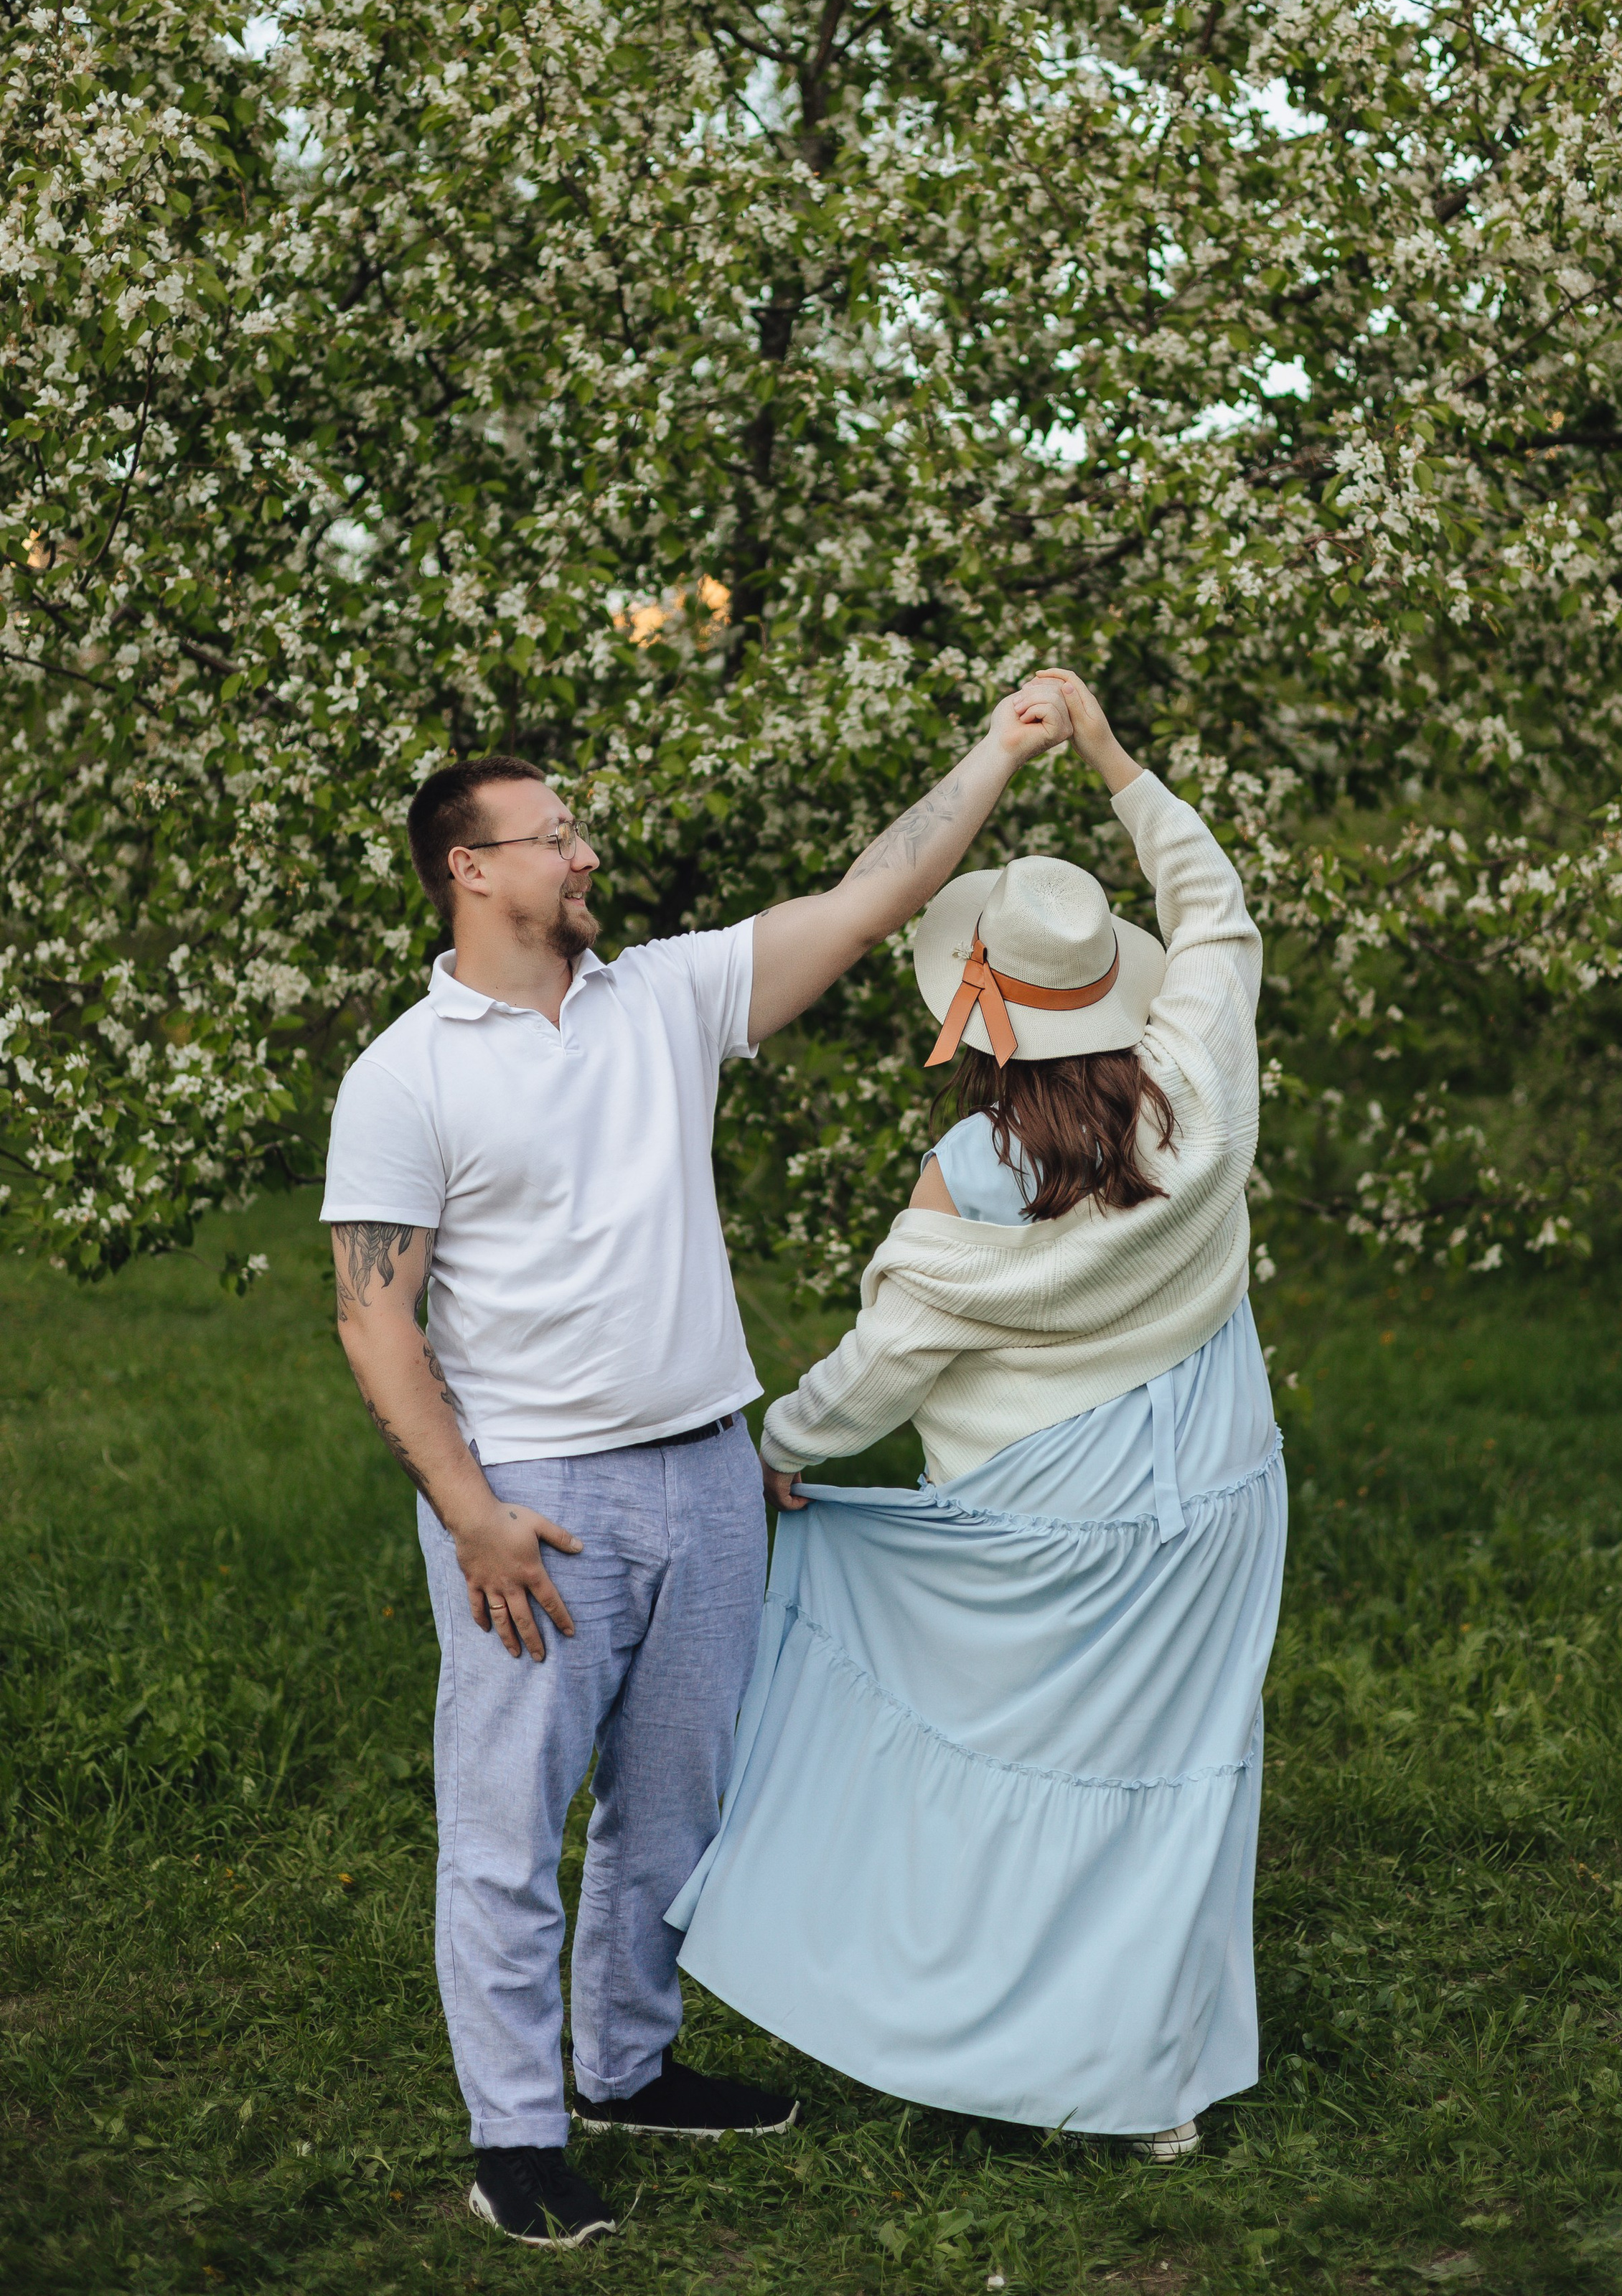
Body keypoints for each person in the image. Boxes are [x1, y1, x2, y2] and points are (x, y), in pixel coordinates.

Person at [319, 683, 1072, 2246]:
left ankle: (628, 2066)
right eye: (555, 837)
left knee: (673, 1813)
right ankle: (515, 2137)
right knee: (509, 1831)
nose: (585, 855)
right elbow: (376, 1325)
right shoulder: (409, 1073)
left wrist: (995, 749)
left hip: (708, 1474)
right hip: (542, 1506)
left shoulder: (661, 998)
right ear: (469, 868)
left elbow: (877, 897)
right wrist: (472, 1519)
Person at [667, 670, 1285, 2159]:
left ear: (977, 1001)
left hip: (1047, 1510)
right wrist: (1118, 759)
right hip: (1211, 1485)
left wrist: (783, 1452)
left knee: (1005, 1763)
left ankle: (1004, 2033)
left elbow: (889, 1360)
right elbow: (1215, 909)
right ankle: (1150, 2088)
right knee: (1177, 1772)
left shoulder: (973, 1165)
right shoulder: (1197, 1076)